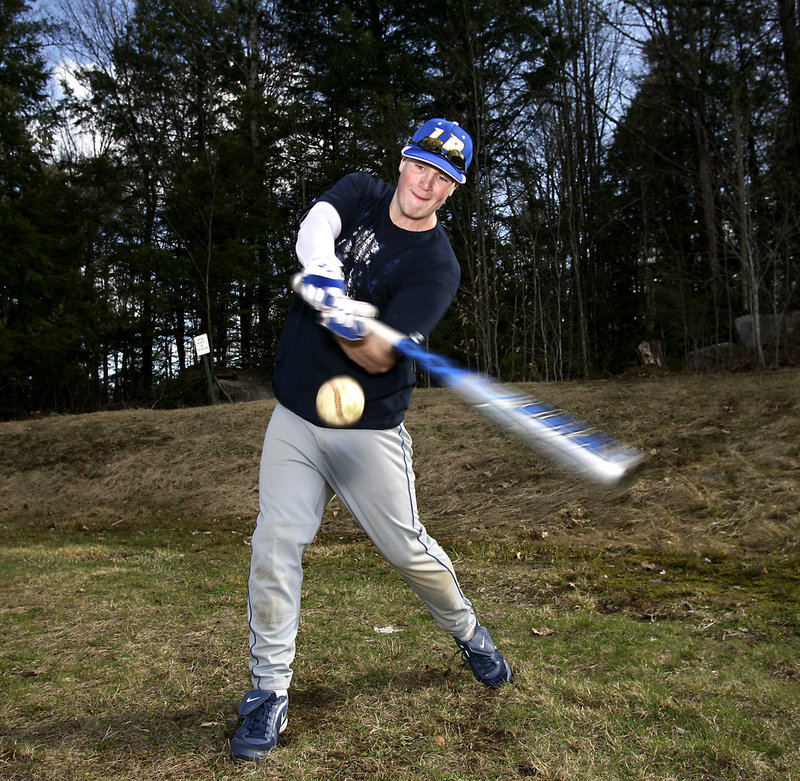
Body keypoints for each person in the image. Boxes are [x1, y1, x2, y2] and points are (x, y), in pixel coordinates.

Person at [231, 118, 512, 763]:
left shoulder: (437, 267)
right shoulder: (361, 190)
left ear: (452, 191)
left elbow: (380, 357)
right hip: (298, 416)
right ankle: (269, 690)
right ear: (404, 161)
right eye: (420, 165)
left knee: (409, 552)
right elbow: (315, 226)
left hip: (366, 433)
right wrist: (326, 272)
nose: (425, 181)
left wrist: (344, 316)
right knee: (275, 542)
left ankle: (469, 632)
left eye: (442, 177)